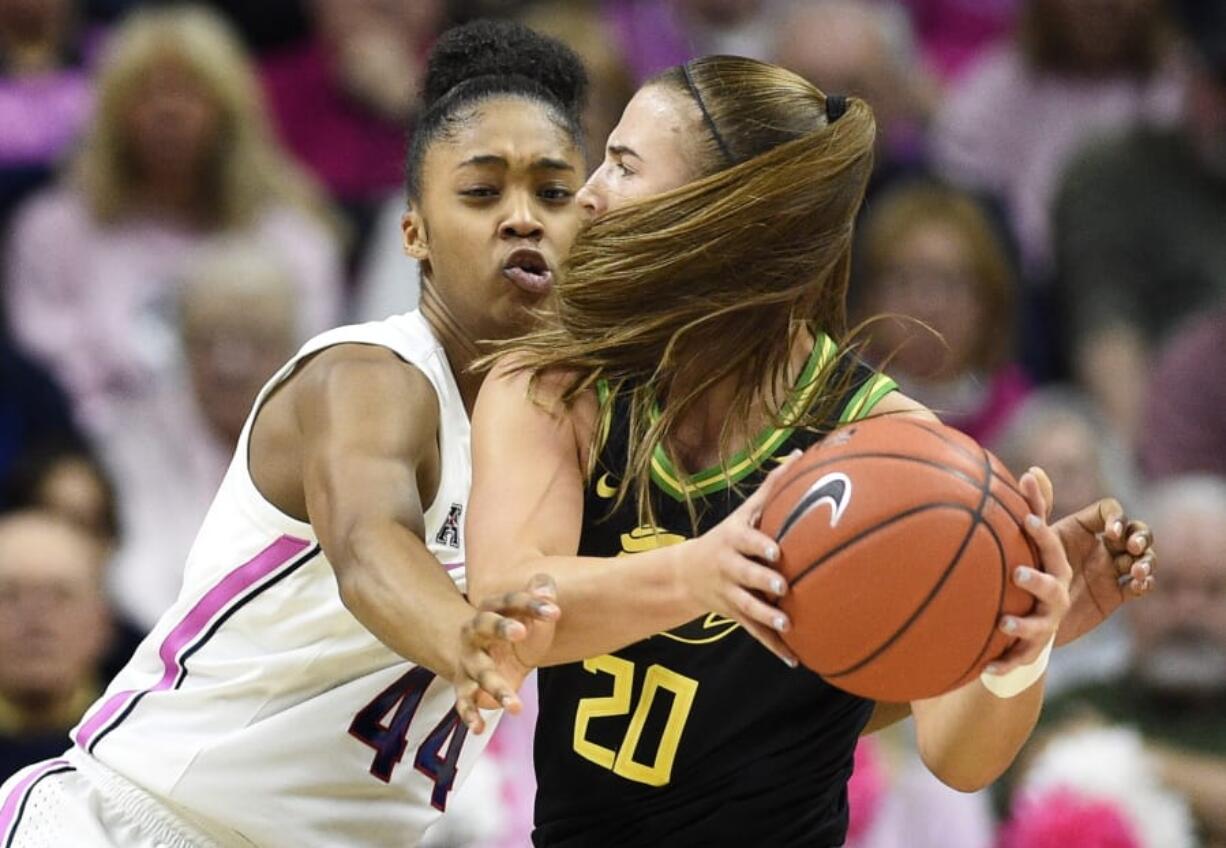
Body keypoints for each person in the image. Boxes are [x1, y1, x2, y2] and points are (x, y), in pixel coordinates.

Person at [461, 54, 1155, 846]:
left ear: (722, 217)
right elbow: (507, 610)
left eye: (623, 166)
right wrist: (698, 572)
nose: (588, 194)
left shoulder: (890, 446)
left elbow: (959, 760)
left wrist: (1011, 642)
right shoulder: (553, 384)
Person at [0, 20, 580, 848]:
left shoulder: (574, 428)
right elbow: (367, 547)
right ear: (411, 230)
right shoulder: (368, 376)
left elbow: (617, 605)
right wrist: (462, 636)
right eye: (482, 193)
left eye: (553, 193)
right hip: (144, 823)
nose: (522, 218)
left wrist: (710, 575)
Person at [4, 5, 342, 437]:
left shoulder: (294, 238)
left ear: (230, 111)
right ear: (110, 114)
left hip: (262, 460)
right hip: (102, 459)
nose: (169, 111)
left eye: (190, 92)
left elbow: (311, 372)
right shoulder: (52, 232)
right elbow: (50, 378)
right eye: (146, 93)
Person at [1054, 0, 1226, 443]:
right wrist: (1148, 477)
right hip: (1178, 447)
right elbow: (1108, 334)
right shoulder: (1117, 172)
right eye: (1221, 83)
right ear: (1184, 67)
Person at [1024, 475, 1226, 843]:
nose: (1189, 609)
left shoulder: (1093, 728)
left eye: (1215, 589)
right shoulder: (1075, 704)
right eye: (1168, 585)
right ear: (1127, 594)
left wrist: (1119, 753)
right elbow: (1033, 776)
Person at [854, 180, 1030, 445]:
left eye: (950, 282)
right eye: (904, 280)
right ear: (870, 296)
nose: (927, 305)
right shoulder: (839, 406)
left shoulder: (1023, 422)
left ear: (987, 302)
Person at [0, 510, 112, 783]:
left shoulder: (143, 745)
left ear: (101, 621)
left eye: (61, 595)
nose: (35, 620)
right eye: (9, 595)